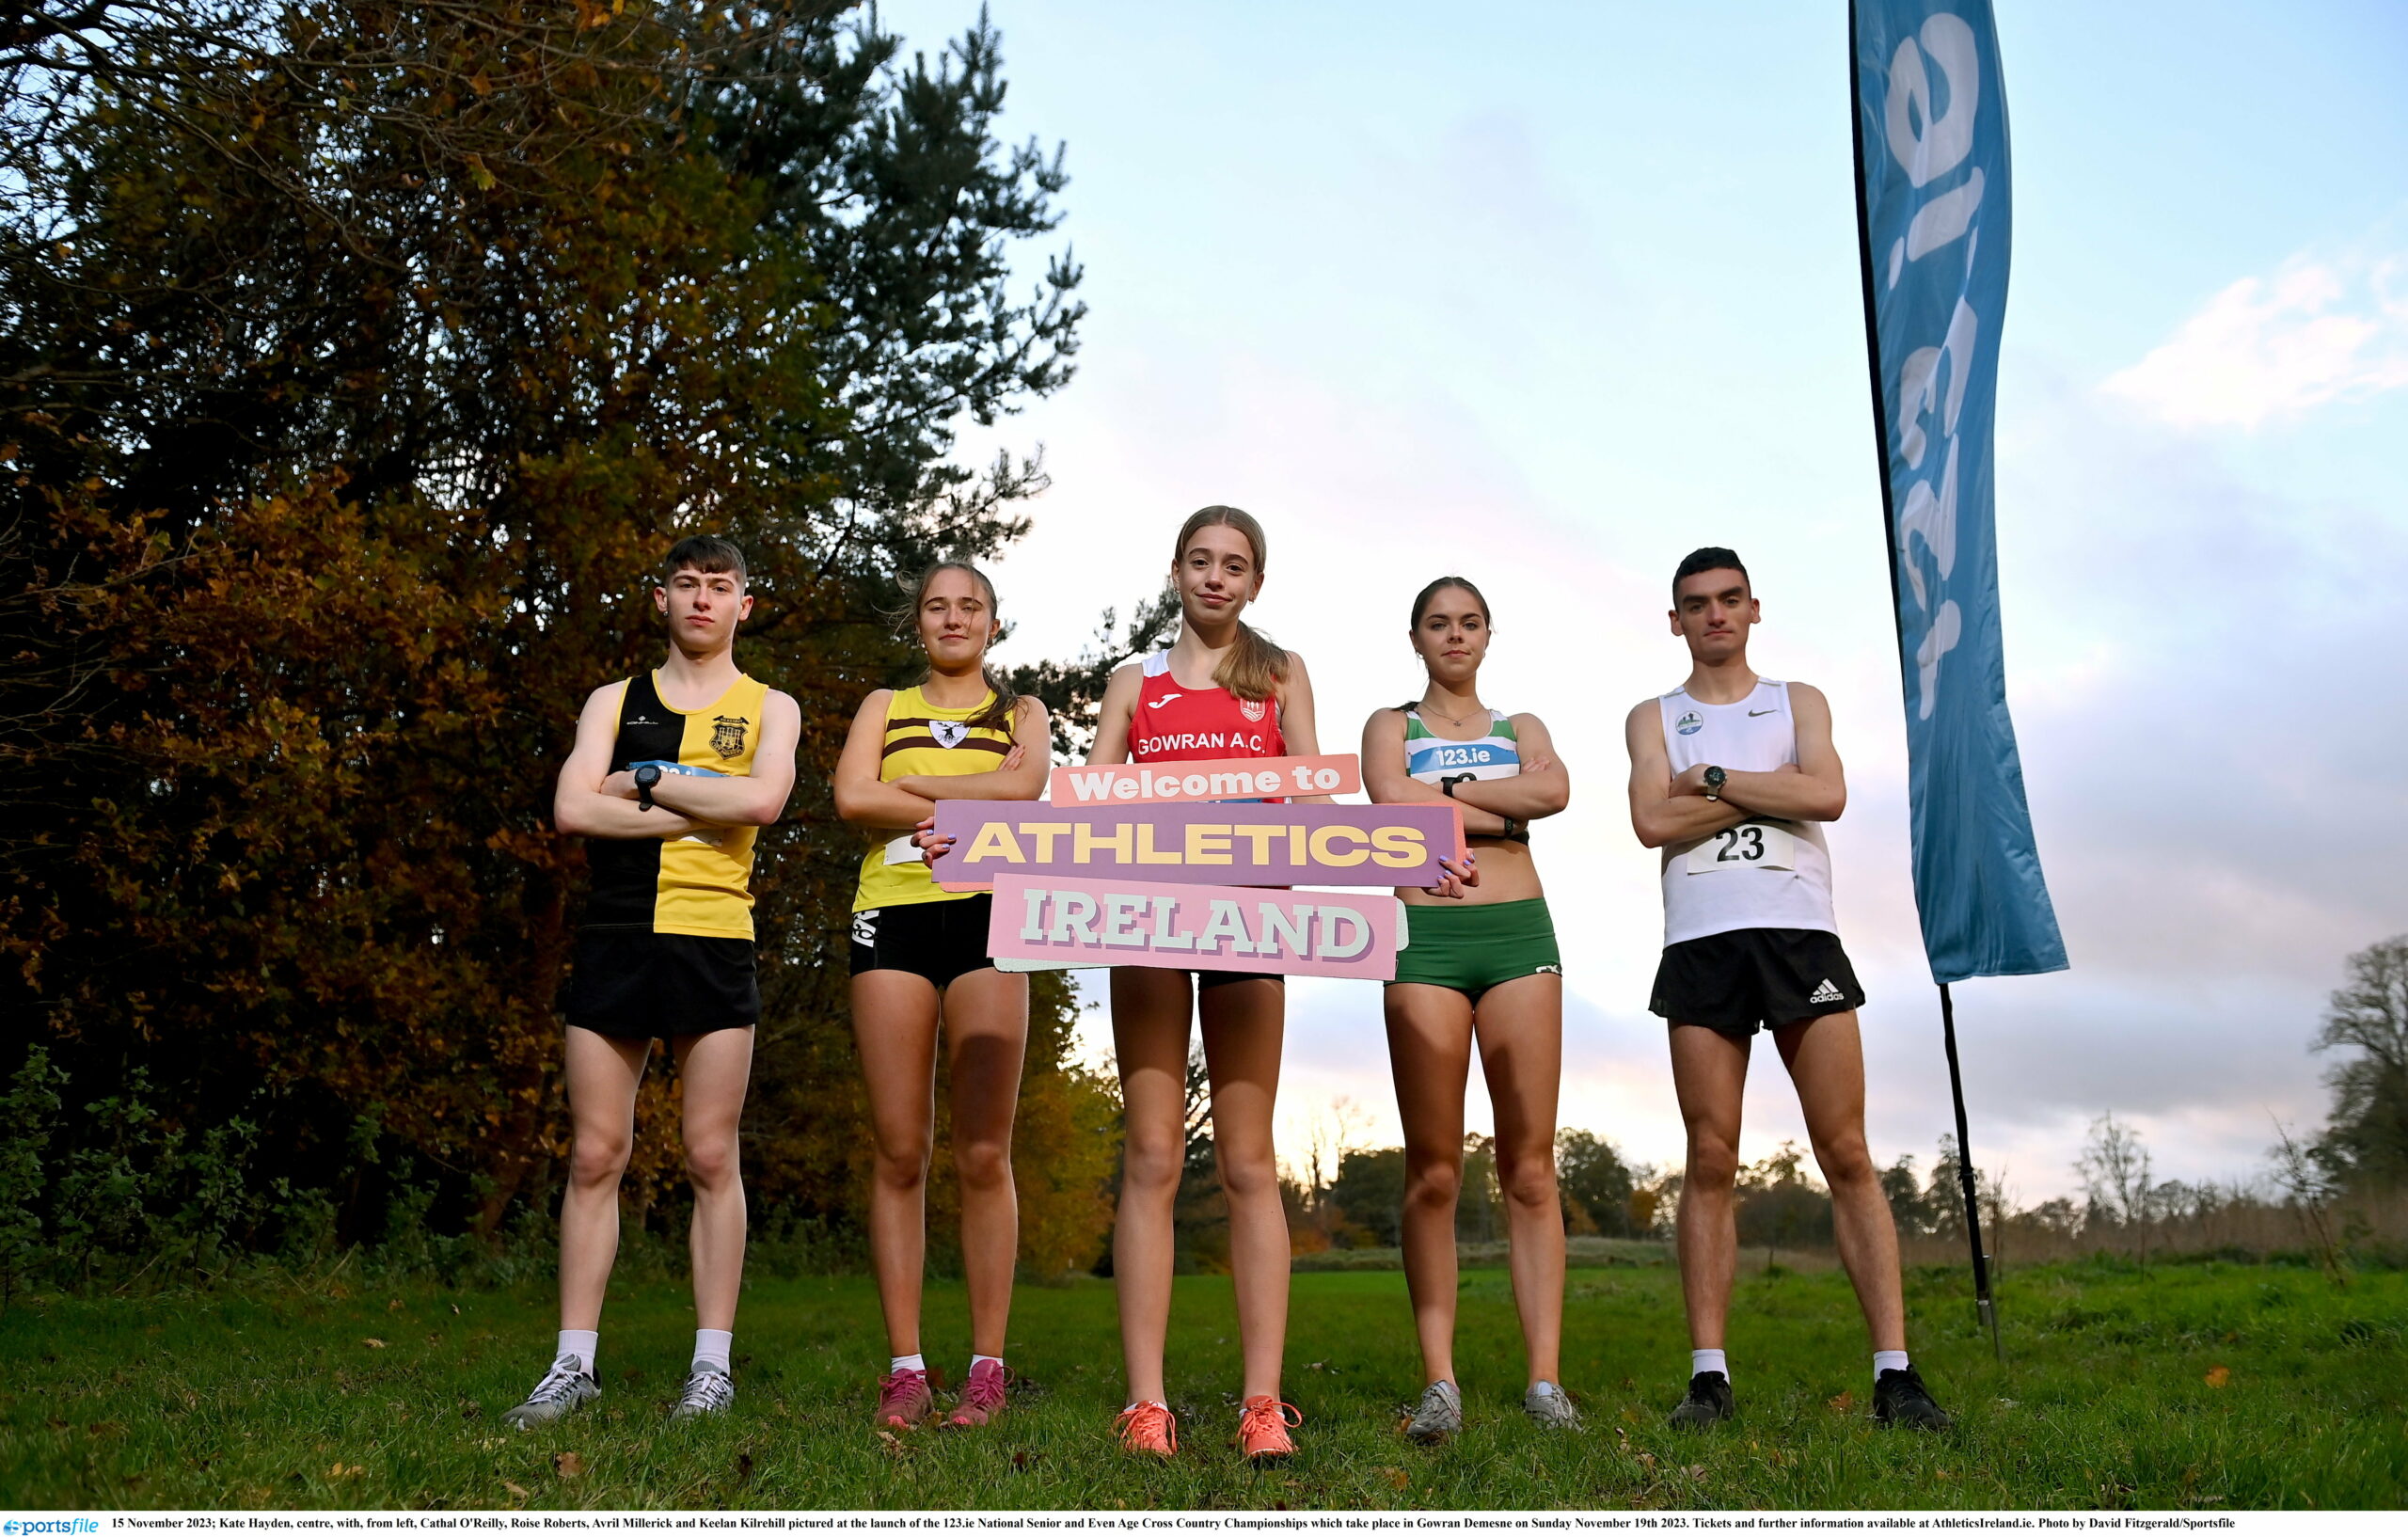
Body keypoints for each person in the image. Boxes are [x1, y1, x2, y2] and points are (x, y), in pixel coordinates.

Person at [1622, 547, 1950, 1432]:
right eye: (1697, 604)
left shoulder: (1797, 701)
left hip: (1800, 934)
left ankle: (1895, 1376)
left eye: (1730, 600)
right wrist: (1778, 795)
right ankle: (1708, 1380)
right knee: (1710, 1157)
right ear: (1676, 619)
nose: (1715, 615)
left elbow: (1830, 793)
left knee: (1845, 1151)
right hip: (1700, 938)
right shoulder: (1653, 717)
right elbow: (1652, 819)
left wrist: (1719, 782)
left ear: (1754, 608)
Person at [507, 535, 801, 1428]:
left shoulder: (771, 706)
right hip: (616, 934)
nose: (702, 599)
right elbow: (568, 808)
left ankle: (710, 1368)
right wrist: (692, 805)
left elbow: (760, 805)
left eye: (721, 587)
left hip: (714, 936)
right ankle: (572, 1365)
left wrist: (638, 783)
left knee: (712, 1153)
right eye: (687, 584)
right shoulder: (613, 698)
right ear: (661, 600)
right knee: (597, 1153)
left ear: (744, 605)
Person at [1084, 506, 1320, 1463]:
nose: (1216, 577)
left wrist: (1245, 793)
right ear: (1176, 570)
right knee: (1150, 1155)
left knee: (1249, 1160)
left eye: (1235, 565)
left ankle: (1262, 1403)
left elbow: (1311, 788)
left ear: (1255, 581)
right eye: (1200, 560)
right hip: (1146, 919)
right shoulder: (1131, 681)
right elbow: (1089, 799)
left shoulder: (1279, 673)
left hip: (1248, 915)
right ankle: (1147, 1405)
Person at [833, 562, 1052, 1432]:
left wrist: (918, 795)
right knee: (898, 1150)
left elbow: (1026, 788)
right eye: (937, 606)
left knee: (982, 1152)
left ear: (994, 625)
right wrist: (969, 797)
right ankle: (907, 1370)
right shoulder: (883, 708)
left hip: (994, 920)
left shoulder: (1023, 714)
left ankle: (987, 1372)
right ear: (917, 622)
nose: (953, 618)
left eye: (971, 607)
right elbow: (851, 795)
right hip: (892, 915)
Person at [1361, 577, 1576, 1441]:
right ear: (1416, 637)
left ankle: (1544, 1382)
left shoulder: (1523, 728)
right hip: (1422, 940)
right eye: (1439, 624)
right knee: (1436, 1167)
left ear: (1489, 635)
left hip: (1519, 933)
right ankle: (1440, 1383)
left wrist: (1443, 807)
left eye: (1470, 623)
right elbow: (1387, 797)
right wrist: (1496, 807)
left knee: (1530, 1166)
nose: (1456, 636)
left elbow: (1555, 792)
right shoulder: (1391, 726)